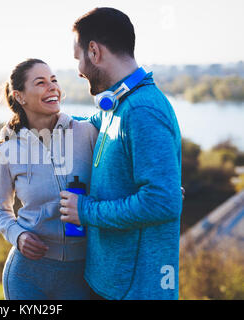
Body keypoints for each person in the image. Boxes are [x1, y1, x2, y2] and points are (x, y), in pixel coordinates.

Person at [60, 7, 183, 300]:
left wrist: (85, 210)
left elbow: (163, 203)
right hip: (111, 283)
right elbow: (89, 125)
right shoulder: (118, 105)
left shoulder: (142, 111)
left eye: (78, 57)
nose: (78, 69)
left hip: (135, 290)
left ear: (94, 51)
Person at [0, 58, 100, 300]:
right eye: (40, 82)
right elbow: (0, 211)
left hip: (81, 273)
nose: (52, 87)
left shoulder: (86, 133)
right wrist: (18, 236)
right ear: (20, 97)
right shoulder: (6, 148)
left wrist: (161, 187)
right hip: (27, 274)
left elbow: (117, 177)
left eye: (54, 80)